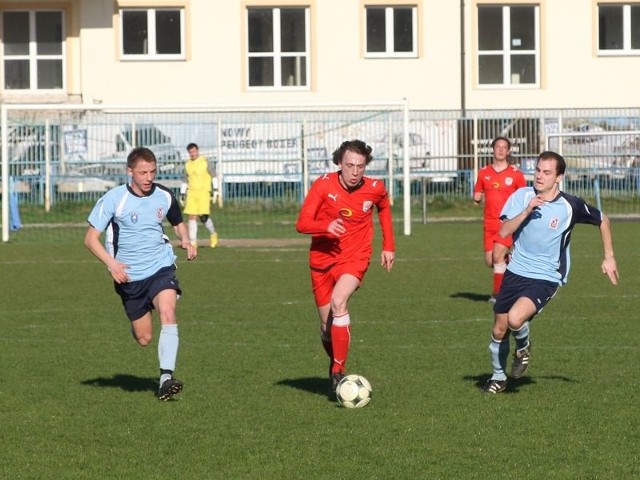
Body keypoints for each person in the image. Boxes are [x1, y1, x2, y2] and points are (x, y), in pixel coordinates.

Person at [483, 151, 619, 394]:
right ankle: (498, 377)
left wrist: (608, 257)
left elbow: (603, 220)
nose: (539, 176)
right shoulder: (522, 195)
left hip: (547, 275)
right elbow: (504, 231)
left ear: (559, 177)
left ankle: (523, 347)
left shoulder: (570, 205)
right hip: (516, 271)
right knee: (498, 329)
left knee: (515, 319)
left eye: (546, 172)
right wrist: (526, 211)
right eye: (537, 170)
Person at [84, 147, 197, 401]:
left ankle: (166, 379)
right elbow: (91, 239)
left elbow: (177, 222)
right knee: (144, 338)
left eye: (153, 172)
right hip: (129, 276)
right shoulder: (114, 199)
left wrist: (186, 240)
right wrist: (111, 264)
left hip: (160, 266)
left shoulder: (164, 195)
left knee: (168, 312)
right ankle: (140, 313)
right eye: (143, 172)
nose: (149, 177)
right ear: (130, 171)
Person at [295, 139, 396, 395]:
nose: (355, 172)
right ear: (339, 163)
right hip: (321, 261)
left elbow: (383, 208)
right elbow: (302, 223)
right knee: (326, 328)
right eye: (350, 165)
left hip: (355, 257)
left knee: (340, 302)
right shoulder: (323, 185)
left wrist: (389, 245)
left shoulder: (375, 188)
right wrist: (325, 227)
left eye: (360, 166)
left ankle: (338, 370)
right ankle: (334, 362)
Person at [473, 137, 527, 303]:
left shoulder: (516, 174)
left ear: (508, 151)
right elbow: (477, 195)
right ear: (493, 149)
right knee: (491, 261)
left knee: (497, 257)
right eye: (498, 147)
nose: (501, 150)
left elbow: (525, 196)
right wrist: (477, 196)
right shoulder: (484, 173)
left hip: (507, 224)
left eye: (504, 147)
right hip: (489, 223)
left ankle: (498, 295)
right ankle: (511, 261)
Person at [183, 142, 218, 248]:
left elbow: (213, 175)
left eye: (193, 151)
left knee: (203, 217)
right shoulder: (187, 164)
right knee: (191, 216)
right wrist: (182, 193)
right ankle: (193, 242)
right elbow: (185, 179)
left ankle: (213, 234)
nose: (192, 154)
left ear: (197, 150)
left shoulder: (205, 161)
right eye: (190, 152)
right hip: (192, 193)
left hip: (203, 192)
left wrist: (216, 189)